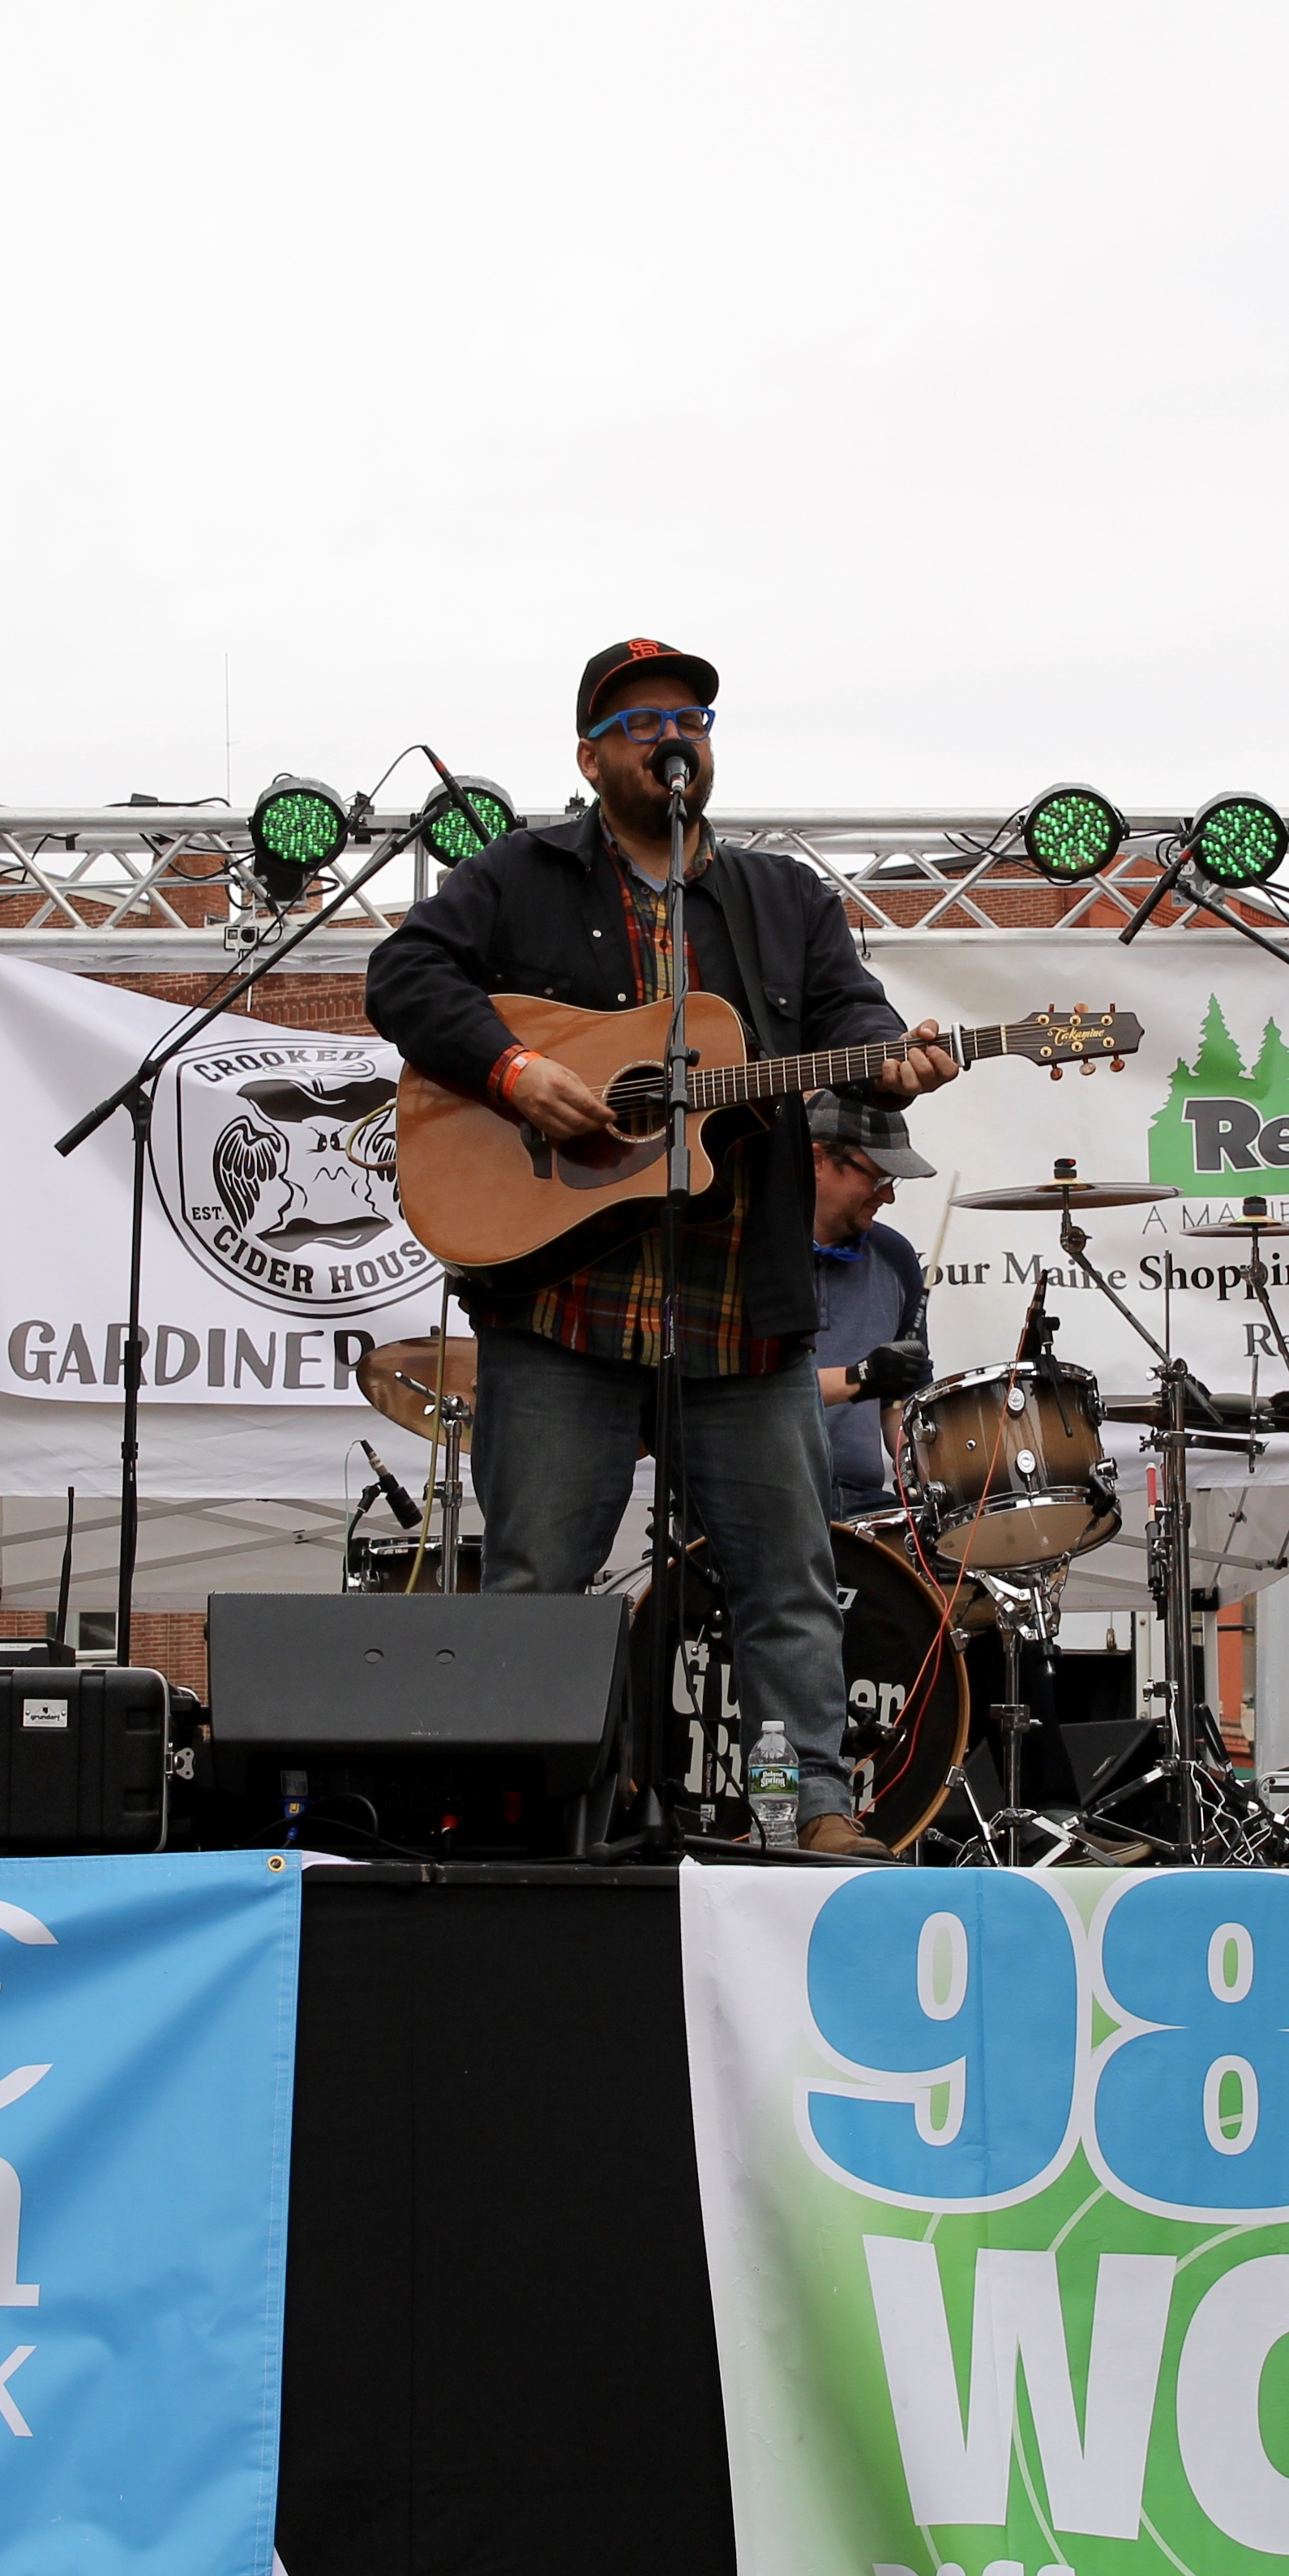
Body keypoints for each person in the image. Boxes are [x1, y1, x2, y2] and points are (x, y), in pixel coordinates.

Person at [366, 637, 955, 1855]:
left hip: (741, 1310)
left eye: (690, 716)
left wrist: (895, 1057)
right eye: (640, 723)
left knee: (786, 1585)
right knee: (537, 1583)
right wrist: (516, 1073)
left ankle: (807, 1811)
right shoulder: (522, 874)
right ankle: (528, 1823)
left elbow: (851, 1017)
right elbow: (405, 976)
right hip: (564, 1306)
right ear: (590, 758)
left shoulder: (785, 900)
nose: (672, 735)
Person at [805, 1089, 936, 1522]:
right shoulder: (742, 1250)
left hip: (861, 1503)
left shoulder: (896, 1256)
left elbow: (900, 1403)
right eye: (879, 1179)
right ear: (818, 1160)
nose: (888, 1197)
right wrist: (860, 1376)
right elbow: (739, 1396)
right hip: (754, 1501)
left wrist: (930, 1477)